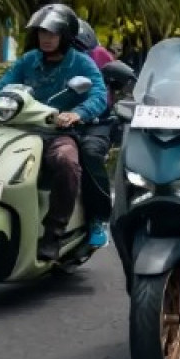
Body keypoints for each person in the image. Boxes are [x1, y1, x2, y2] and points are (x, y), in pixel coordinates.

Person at [0, 4, 108, 261]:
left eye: (52, 34)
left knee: (67, 162)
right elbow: (3, 86)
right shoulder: (28, 60)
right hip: (20, 128)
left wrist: (77, 113)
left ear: (65, 36)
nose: (46, 39)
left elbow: (99, 94)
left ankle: (54, 231)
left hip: (57, 132)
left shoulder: (81, 63)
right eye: (42, 33)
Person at [70, 19, 119, 250]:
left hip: (94, 123)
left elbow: (101, 96)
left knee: (89, 151)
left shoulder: (97, 56)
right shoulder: (38, 59)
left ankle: (98, 218)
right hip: (51, 121)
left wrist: (81, 113)